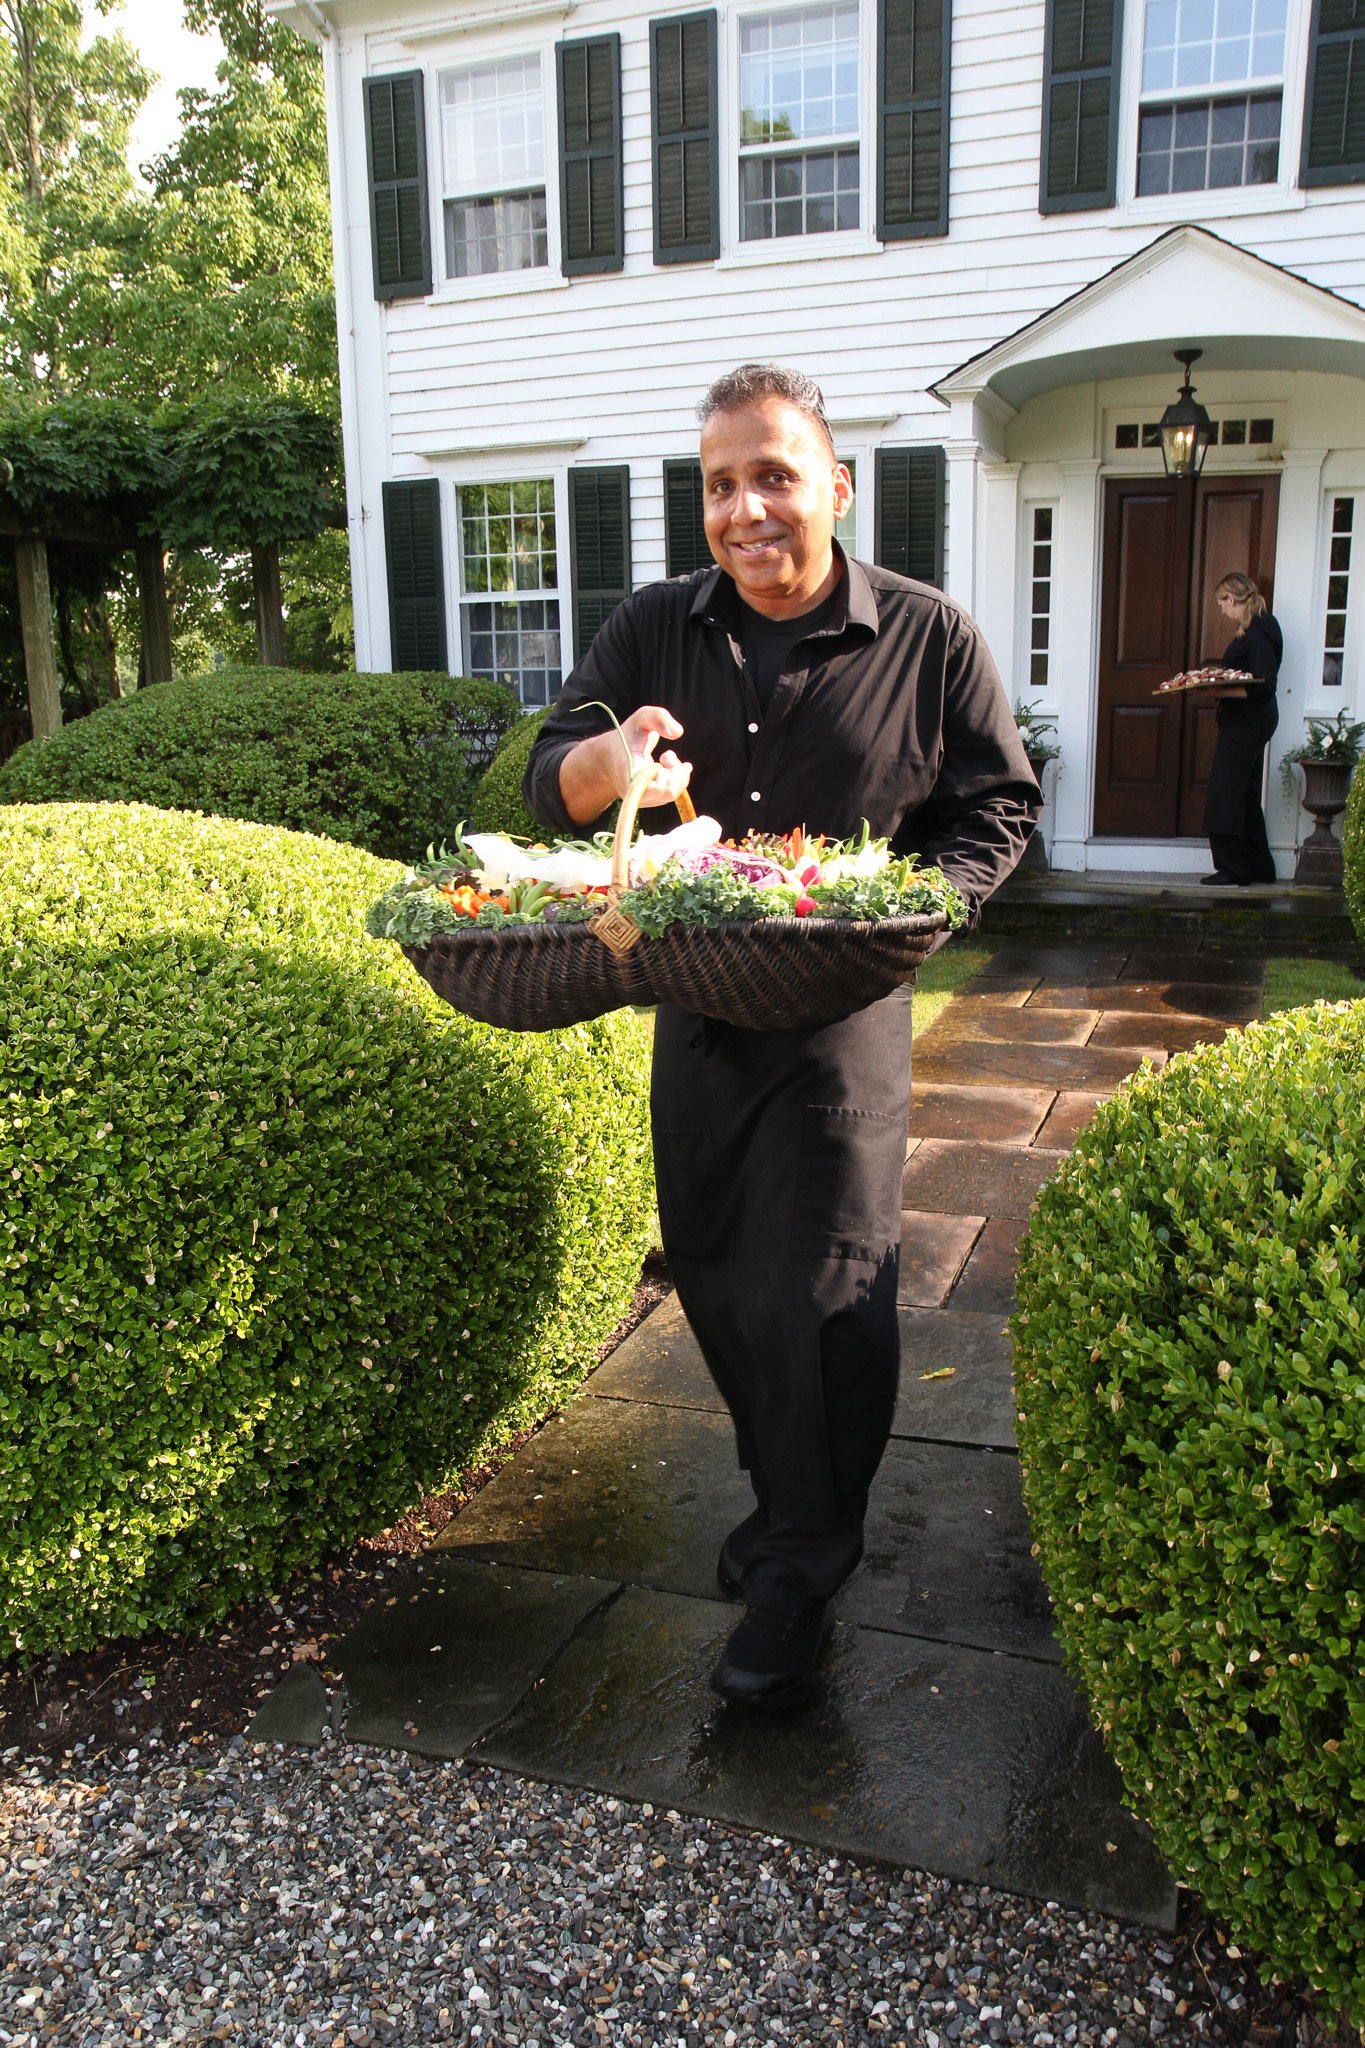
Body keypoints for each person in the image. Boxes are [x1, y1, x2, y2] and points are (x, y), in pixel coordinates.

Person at [524, 364, 1040, 1711]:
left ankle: (800, 1577)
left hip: (838, 1019)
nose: (744, 508)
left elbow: (995, 809)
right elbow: (550, 773)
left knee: (821, 1294)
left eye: (773, 476)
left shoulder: (927, 638)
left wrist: (911, 913)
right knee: (712, 1272)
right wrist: (609, 765)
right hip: (693, 1011)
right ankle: (784, 1509)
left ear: (836, 488)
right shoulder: (653, 627)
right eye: (718, 485)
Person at [1201, 572, 1282, 887]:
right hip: (1248, 719)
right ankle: (1259, 866)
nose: (1221, 610)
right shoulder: (1254, 628)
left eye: (1222, 603)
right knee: (1245, 794)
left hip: (1250, 721)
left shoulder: (1260, 631)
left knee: (1226, 792)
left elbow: (1264, 686)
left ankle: (1234, 868)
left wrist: (1218, 692)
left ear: (1231, 599)